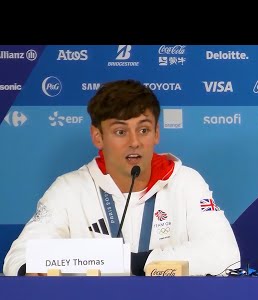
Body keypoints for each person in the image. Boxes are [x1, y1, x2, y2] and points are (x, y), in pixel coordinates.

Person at [3, 79, 241, 276]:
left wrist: (132, 263)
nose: (134, 141)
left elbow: (225, 256)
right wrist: (30, 271)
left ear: (157, 133)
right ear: (97, 137)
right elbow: (21, 256)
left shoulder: (186, 182)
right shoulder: (69, 188)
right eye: (120, 131)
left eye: (143, 129)